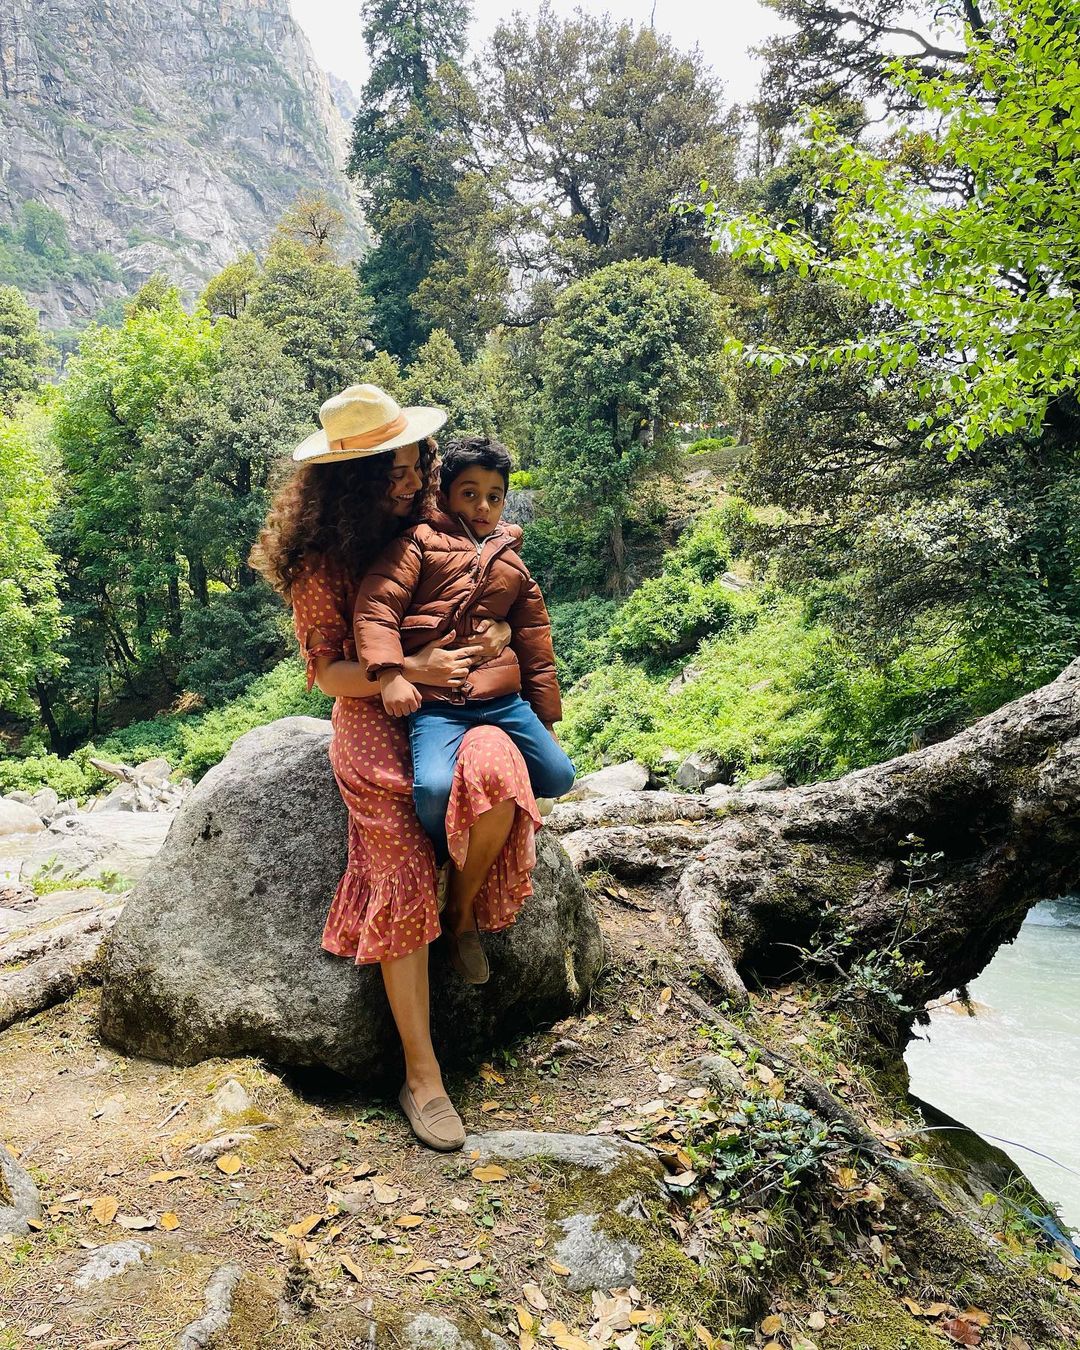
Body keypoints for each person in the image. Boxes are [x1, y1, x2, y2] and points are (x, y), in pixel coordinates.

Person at [250, 385, 542, 1153]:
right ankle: (423, 1074)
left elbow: (496, 597)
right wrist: (407, 665)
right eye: (399, 470)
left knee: (501, 778)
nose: (415, 480)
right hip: (374, 719)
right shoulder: (322, 561)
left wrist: (495, 642)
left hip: (461, 704)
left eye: (418, 463)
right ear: (354, 478)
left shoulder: (435, 523)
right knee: (403, 863)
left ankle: (462, 914)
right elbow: (329, 674)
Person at [352, 437, 575, 983]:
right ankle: (453, 865)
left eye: (495, 496)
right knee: (431, 790)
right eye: (470, 493)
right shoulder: (418, 544)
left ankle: (471, 860)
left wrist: (543, 716)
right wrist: (389, 673)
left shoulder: (510, 561)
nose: (483, 506)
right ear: (447, 494)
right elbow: (376, 607)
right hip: (440, 707)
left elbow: (534, 640)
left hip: (502, 700)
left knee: (559, 774)